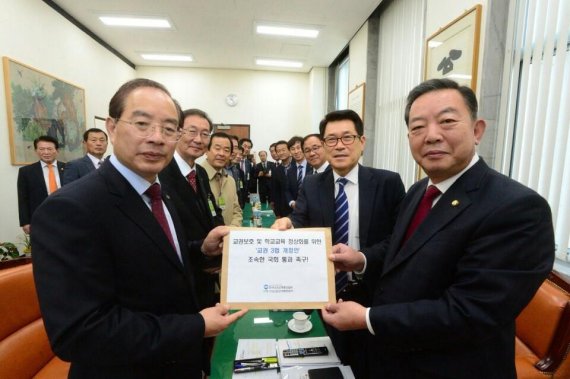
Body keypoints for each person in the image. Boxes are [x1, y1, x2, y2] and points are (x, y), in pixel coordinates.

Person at [322, 79, 554, 379]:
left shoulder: (517, 208)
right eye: (418, 127)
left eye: (446, 121)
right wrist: (361, 259)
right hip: (393, 358)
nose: (431, 136)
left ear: (477, 129)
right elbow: (404, 248)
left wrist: (367, 317)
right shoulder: (420, 190)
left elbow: (469, 312)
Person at [31, 78, 247, 379]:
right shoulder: (69, 208)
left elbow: (154, 257)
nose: (157, 138)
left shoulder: (159, 191)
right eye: (142, 124)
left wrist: (200, 248)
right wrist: (196, 325)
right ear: (112, 126)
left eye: (169, 128)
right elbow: (80, 333)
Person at [272, 110, 405, 375]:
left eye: (347, 137)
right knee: (331, 363)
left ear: (362, 141)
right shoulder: (312, 184)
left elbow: (399, 240)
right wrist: (288, 224)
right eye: (331, 139)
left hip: (375, 296)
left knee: (373, 365)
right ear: (323, 145)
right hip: (326, 292)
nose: (339, 145)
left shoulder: (388, 182)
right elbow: (300, 222)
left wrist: (363, 259)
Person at [159, 108, 224, 310]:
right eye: (192, 131)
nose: (198, 139)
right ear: (177, 132)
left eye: (205, 134)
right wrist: (202, 250)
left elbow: (213, 212)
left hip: (207, 272)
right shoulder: (160, 173)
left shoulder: (201, 173)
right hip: (180, 277)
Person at [17, 135, 66, 234]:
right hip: (39, 218)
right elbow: (23, 198)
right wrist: (25, 222)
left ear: (57, 150)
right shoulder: (26, 172)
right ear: (36, 151)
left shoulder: (68, 168)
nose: (46, 152)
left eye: (49, 149)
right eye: (42, 149)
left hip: (66, 216)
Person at [202, 132, 243, 226]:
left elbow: (237, 211)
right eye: (217, 148)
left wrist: (230, 231)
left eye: (226, 150)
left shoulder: (230, 181)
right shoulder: (195, 178)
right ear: (206, 150)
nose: (222, 154)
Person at [285, 136, 308, 210]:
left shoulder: (313, 167)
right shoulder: (290, 170)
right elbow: (287, 190)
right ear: (290, 152)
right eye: (293, 149)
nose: (296, 151)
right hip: (296, 210)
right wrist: (291, 203)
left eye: (299, 147)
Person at [270, 140, 293, 217]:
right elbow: (276, 192)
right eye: (279, 151)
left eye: (283, 150)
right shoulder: (277, 170)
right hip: (284, 209)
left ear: (289, 150)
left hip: (299, 207)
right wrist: (278, 213)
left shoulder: (297, 166)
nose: (281, 152)